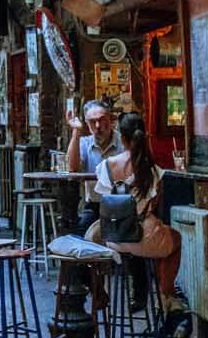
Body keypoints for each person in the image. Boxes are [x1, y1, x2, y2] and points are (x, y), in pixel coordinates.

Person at [88, 112, 184, 313]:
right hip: (145, 238)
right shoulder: (153, 170)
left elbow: (103, 200)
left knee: (89, 236)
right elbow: (155, 204)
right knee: (176, 239)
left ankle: (99, 291)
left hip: (115, 237)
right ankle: (166, 296)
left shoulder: (106, 166)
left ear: (122, 138)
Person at [66, 99, 121, 233]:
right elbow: (72, 169)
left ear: (110, 120)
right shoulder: (84, 143)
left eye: (102, 120)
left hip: (120, 202)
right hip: (94, 204)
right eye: (92, 121)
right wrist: (76, 132)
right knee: (81, 233)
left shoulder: (123, 142)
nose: (97, 125)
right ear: (87, 124)